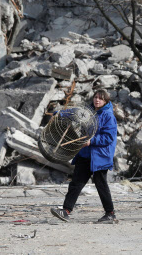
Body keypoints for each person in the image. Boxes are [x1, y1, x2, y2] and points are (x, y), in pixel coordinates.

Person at [50, 89, 118, 223]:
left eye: (101, 98)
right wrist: (58, 114)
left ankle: (110, 214)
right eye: (95, 97)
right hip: (85, 154)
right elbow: (74, 114)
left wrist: (91, 141)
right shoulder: (89, 112)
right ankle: (66, 211)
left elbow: (109, 137)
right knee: (76, 183)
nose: (97, 100)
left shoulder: (108, 115)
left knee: (101, 184)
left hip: (99, 157)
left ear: (106, 101)